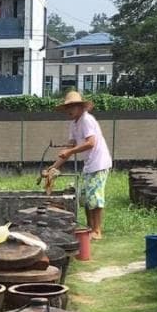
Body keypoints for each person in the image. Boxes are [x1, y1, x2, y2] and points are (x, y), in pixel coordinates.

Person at [45, 91, 113, 240]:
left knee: (95, 197)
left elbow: (91, 143)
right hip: (89, 164)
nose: (69, 111)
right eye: (67, 108)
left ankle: (97, 230)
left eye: (72, 107)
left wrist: (71, 150)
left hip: (99, 162)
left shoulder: (86, 120)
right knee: (86, 198)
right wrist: (53, 167)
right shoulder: (74, 124)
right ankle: (90, 228)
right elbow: (69, 149)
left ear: (80, 107)